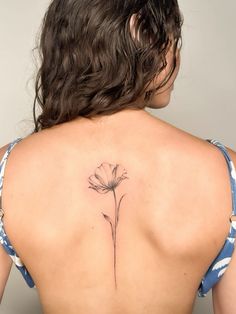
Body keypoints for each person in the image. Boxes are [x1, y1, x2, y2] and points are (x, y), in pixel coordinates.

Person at [0, 0, 235, 313]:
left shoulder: (8, 170)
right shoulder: (225, 171)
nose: (177, 58)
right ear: (140, 35)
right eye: (171, 40)